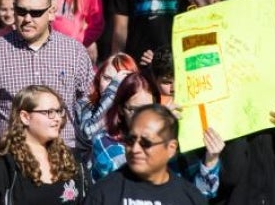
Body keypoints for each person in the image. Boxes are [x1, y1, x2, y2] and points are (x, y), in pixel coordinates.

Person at [0, 0, 95, 147]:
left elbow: (89, 104)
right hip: (10, 154)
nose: (27, 19)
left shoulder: (74, 52)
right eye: (21, 11)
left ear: (51, 12)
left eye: (35, 13)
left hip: (61, 154)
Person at [87, 73, 222, 197]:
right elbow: (130, 180)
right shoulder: (104, 142)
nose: (142, 116)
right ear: (121, 109)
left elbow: (201, 193)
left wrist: (211, 160)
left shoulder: (172, 141)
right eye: (135, 110)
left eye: (149, 109)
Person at [0, 85, 87, 205]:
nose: (58, 118)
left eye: (60, 112)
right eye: (50, 112)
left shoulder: (71, 161)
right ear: (25, 117)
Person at [86, 105, 207, 205]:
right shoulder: (103, 193)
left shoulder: (191, 198)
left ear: (171, 148)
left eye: (146, 143)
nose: (135, 149)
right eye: (130, 140)